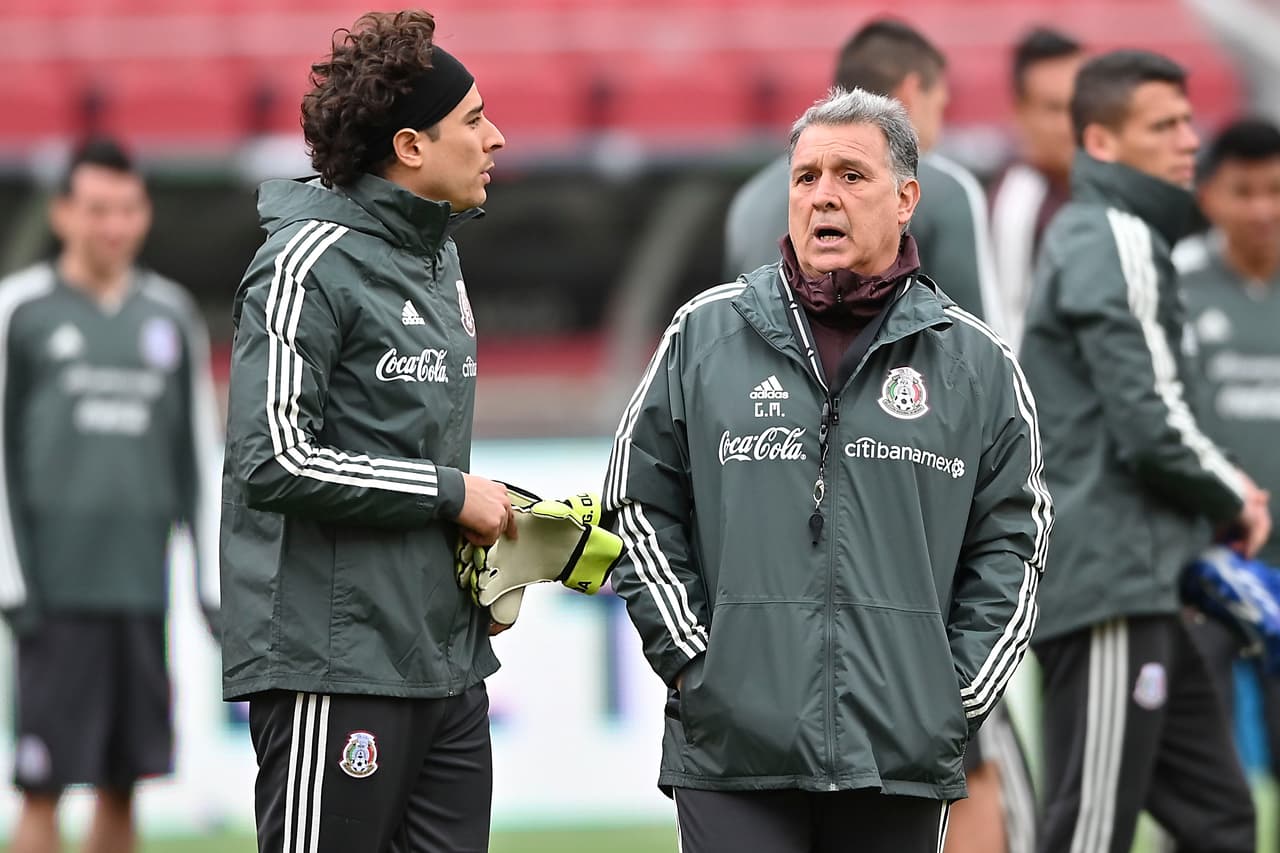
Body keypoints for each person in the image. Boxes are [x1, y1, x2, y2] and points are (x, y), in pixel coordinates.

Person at [605, 86, 1050, 853]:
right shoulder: (703, 336)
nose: (822, 197)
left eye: (851, 175)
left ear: (907, 198)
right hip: (733, 751)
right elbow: (636, 501)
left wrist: (954, 695)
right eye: (805, 177)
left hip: (899, 752)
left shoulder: (977, 364)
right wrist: (693, 664)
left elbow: (1016, 538)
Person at [726, 20, 1032, 853]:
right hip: (912, 578)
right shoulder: (953, 192)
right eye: (939, 97)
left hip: (770, 620)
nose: (824, 197)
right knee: (985, 773)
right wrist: (961, 678)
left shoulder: (752, 196)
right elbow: (996, 366)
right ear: (914, 94)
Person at [219, 10, 515, 853]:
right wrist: (450, 493)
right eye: (474, 119)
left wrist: (481, 558)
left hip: (446, 665)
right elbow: (272, 458)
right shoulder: (302, 262)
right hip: (333, 664)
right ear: (412, 146)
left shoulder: (441, 260)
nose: (496, 138)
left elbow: (410, 457)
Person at [1018, 50, 1272, 853]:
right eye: (1163, 125)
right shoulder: (1113, 234)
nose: (1188, 140)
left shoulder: (1112, 235)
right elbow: (1147, 414)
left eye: (1189, 121)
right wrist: (1233, 493)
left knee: (1222, 820)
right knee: (1090, 831)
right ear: (1099, 140)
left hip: (1150, 585)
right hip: (1110, 588)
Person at [0, 138, 222, 853]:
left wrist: (209, 581)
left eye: (126, 209)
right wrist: (10, 577)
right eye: (96, 209)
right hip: (53, 594)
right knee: (43, 782)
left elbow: (196, 453)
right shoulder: (20, 311)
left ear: (144, 213)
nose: (112, 225)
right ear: (64, 213)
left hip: (139, 591)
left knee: (124, 782)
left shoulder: (169, 314)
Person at [724, 19, 1007, 338]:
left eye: (851, 177)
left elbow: (736, 326)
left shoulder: (751, 196)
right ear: (911, 93)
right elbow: (978, 342)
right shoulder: (945, 189)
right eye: (939, 107)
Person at [1178, 117, 1280, 841]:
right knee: (1205, 788)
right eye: (1243, 190)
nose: (1263, 207)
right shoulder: (1175, 281)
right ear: (1209, 194)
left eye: (1276, 189)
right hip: (1207, 575)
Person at [989, 27, 1084, 352]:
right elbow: (1009, 331)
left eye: (1080, 104)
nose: (1071, 123)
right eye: (1055, 109)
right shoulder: (1019, 205)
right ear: (1021, 112)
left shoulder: (1108, 187)